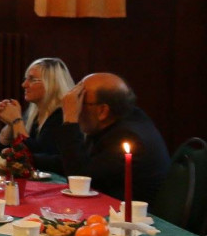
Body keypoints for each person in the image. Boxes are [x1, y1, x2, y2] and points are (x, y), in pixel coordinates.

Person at [37, 73, 170, 202]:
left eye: (79, 101)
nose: (74, 108)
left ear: (102, 111)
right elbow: (80, 161)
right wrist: (30, 158)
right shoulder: (120, 120)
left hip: (132, 217)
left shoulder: (128, 137)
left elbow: (79, 180)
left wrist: (70, 120)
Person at [0, 57, 74, 155]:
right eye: (25, 79)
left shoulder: (62, 115)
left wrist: (16, 121)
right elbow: (0, 149)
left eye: (32, 79)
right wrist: (11, 124)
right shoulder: (33, 113)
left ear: (52, 84)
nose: (24, 84)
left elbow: (36, 156)